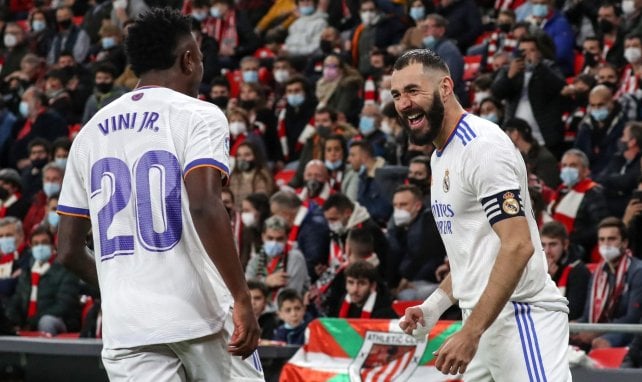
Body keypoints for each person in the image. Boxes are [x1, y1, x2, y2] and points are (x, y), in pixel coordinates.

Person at [56, 9, 262, 381]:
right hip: (202, 315)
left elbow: (68, 250)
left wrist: (125, 286)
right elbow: (203, 205)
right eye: (199, 57)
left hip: (127, 326)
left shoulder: (88, 134)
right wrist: (242, 298)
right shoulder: (198, 115)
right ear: (187, 60)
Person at [392, 50, 570, 379]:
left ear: (445, 87)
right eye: (397, 95)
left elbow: (518, 246)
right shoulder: (439, 156)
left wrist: (470, 332)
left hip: (521, 317)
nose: (404, 103)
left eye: (413, 91)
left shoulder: (482, 147)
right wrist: (433, 307)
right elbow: (472, 257)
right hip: (482, 320)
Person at [572, 217, 642, 350]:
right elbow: (587, 316)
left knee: (600, 343)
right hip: (601, 329)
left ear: (625, 243)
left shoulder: (638, 271)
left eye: (611, 239)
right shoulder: (597, 274)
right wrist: (573, 326)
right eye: (602, 239)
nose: (606, 244)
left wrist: (596, 332)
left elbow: (632, 318)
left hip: (629, 332)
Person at [5, 225, 81, 336]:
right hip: (29, 321)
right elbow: (17, 300)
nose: (40, 247)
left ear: (52, 246)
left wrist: (34, 320)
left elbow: (64, 305)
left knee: (46, 321)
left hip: (61, 321)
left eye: (44, 243)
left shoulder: (65, 270)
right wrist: (12, 318)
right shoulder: (27, 272)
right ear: (31, 247)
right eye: (36, 244)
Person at [244, 215, 310, 299]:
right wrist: (266, 282)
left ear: (287, 238)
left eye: (279, 239)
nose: (274, 242)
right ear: (263, 237)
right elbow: (247, 288)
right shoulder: (255, 260)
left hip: (287, 308)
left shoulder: (295, 258)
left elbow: (291, 293)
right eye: (270, 238)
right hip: (259, 309)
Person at [541, 221, 590, 321]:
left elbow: (572, 312)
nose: (547, 251)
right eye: (543, 245)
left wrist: (550, 280)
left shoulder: (578, 271)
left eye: (553, 244)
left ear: (565, 244)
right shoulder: (537, 267)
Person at [330, 260, 397, 319]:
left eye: (361, 283)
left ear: (372, 286)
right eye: (351, 282)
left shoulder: (384, 312)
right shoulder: (343, 300)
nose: (355, 290)